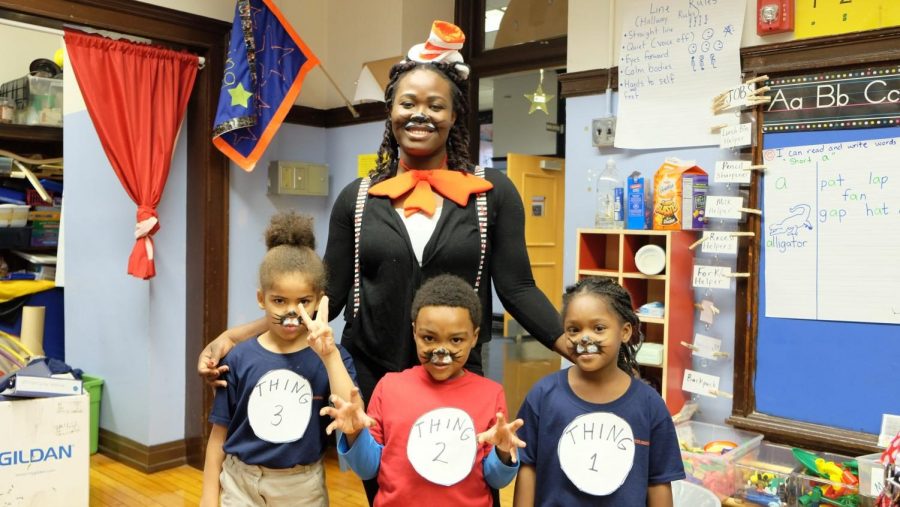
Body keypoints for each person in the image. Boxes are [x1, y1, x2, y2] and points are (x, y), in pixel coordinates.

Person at [199, 19, 565, 420]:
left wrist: (580, 349)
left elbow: (519, 288)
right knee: (383, 483)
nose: (420, 115)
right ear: (390, 110)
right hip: (372, 382)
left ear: (455, 115)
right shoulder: (356, 198)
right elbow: (327, 299)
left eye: (435, 105)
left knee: (464, 483)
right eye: (408, 103)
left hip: (457, 376)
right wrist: (236, 337)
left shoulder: (492, 193)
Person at [321, 274, 526, 507]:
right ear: (414, 332)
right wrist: (355, 434)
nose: (441, 351)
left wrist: (501, 451)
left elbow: (496, 479)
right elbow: (368, 469)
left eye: (456, 340)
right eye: (429, 338)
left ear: (474, 338)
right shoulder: (389, 387)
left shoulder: (491, 394)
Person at [200, 211, 357, 507]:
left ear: (320, 299)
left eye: (303, 302)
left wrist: (329, 356)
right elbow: (219, 435)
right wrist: (208, 497)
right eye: (279, 301)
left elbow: (352, 412)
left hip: (302, 488)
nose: (291, 312)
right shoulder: (238, 358)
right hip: (240, 483)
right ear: (262, 299)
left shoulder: (332, 358)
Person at [513, 277, 685, 507]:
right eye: (574, 329)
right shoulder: (543, 395)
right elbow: (528, 467)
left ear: (624, 332)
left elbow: (659, 482)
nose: (585, 339)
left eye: (599, 328)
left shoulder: (650, 404)